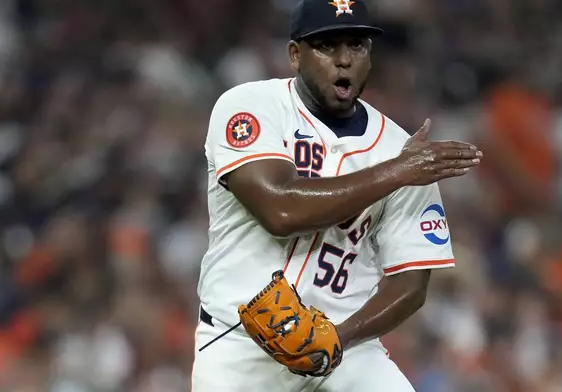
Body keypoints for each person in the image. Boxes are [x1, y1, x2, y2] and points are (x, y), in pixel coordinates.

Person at [192, 0, 482, 391]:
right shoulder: (250, 106)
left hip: (345, 350)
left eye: (357, 45)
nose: (344, 59)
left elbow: (410, 286)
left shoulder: (401, 149)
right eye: (327, 45)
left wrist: (338, 339)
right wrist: (397, 171)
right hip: (238, 345)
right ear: (295, 55)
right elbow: (280, 209)